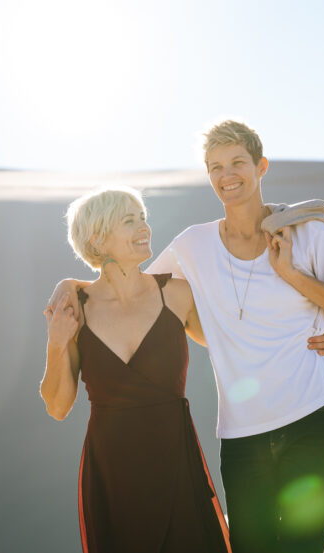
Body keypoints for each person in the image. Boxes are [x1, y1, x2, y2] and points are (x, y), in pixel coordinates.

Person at [48, 120, 324, 553]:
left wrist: (300, 287)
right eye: (215, 166)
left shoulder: (302, 234)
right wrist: (68, 289)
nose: (227, 175)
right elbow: (124, 281)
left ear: (261, 167)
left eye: (238, 162)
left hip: (310, 420)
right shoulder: (191, 247)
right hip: (236, 440)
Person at [39, 186, 231, 553]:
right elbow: (58, 406)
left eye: (143, 218)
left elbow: (232, 342)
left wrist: (314, 334)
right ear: (97, 237)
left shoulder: (176, 294)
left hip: (175, 460)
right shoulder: (75, 308)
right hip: (112, 473)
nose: (144, 227)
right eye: (129, 221)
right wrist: (56, 342)